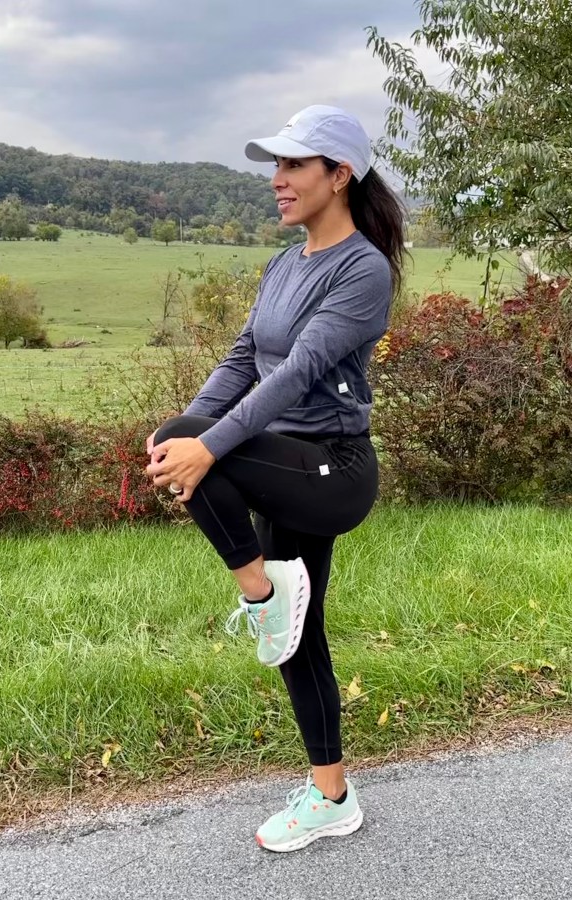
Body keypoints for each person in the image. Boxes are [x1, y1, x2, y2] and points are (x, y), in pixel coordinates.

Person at [145, 105, 406, 852]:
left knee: (279, 609)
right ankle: (333, 797)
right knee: (301, 639)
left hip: (330, 471)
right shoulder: (283, 264)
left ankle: (258, 588)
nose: (278, 180)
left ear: (339, 175)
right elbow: (240, 360)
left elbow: (298, 373)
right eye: (277, 165)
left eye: (293, 165)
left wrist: (203, 444)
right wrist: (184, 430)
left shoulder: (362, 269)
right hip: (280, 463)